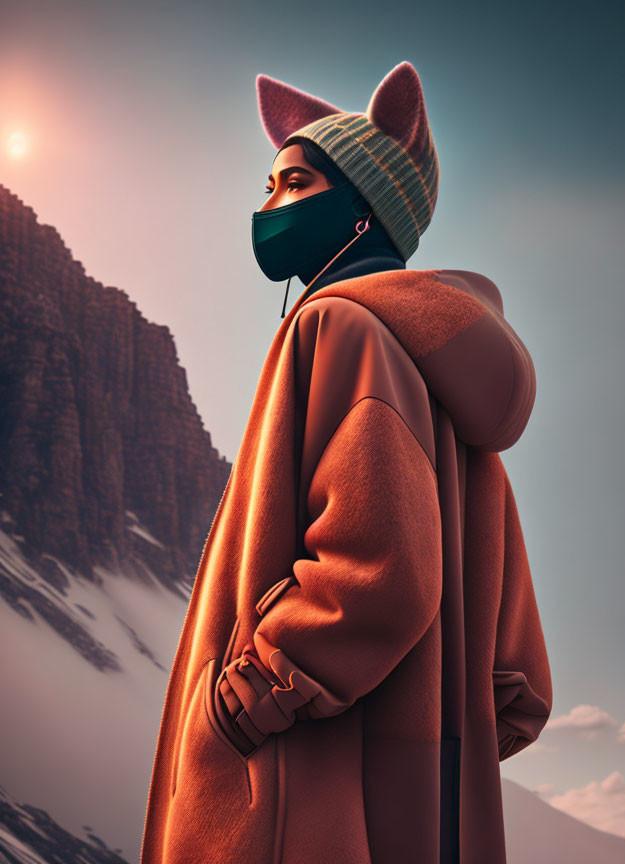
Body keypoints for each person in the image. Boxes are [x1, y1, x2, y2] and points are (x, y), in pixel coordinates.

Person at [140, 61, 553, 864]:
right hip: (415, 805)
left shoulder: (337, 327)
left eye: (292, 182)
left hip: (307, 792)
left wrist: (248, 700)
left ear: (366, 211)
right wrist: (436, 725)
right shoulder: (449, 390)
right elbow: (516, 674)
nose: (264, 207)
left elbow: (379, 569)